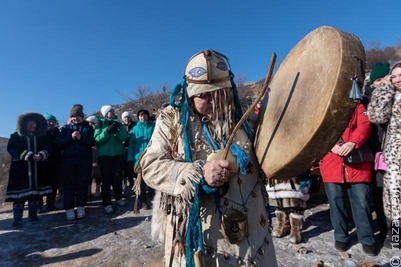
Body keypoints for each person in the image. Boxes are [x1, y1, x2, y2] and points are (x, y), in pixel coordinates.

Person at [140, 49, 277, 267]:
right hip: (200, 238)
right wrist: (196, 173)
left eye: (219, 92)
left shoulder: (246, 117)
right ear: (189, 93)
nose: (212, 100)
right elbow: (149, 165)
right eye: (203, 95)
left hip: (253, 233)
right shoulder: (171, 120)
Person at [319, 103, 377, 256]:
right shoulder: (322, 106)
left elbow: (365, 125)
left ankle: (367, 239)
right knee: (335, 201)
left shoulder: (357, 105)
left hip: (357, 161)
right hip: (331, 160)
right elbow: (318, 130)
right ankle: (341, 236)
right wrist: (330, 145)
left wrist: (353, 142)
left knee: (362, 201)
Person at [367, 60, 401, 249]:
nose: (397, 80)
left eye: (400, 75)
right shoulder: (391, 95)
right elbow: (376, 116)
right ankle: (395, 237)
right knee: (393, 201)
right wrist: (385, 87)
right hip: (393, 159)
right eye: (393, 76)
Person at [5, 112, 52, 228]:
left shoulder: (42, 137)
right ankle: (17, 219)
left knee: (34, 195)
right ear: (23, 124)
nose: (31, 125)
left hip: (37, 170)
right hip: (20, 171)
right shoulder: (16, 136)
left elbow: (48, 147)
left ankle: (33, 215)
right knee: (19, 197)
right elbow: (13, 149)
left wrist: (41, 154)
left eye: (34, 123)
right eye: (29, 123)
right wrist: (29, 155)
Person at [363, 62, 390, 245]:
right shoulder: (367, 99)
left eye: (384, 79)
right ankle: (388, 233)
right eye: (377, 80)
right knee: (381, 197)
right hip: (377, 156)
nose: (381, 83)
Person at [57, 104, 95, 220]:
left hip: (84, 161)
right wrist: (71, 138)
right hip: (68, 161)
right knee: (69, 185)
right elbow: (59, 144)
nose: (75, 118)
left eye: (78, 116)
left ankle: (80, 206)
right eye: (73, 116)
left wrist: (81, 138)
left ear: (82, 116)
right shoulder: (66, 128)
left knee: (82, 184)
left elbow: (92, 142)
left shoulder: (88, 128)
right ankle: (69, 209)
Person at [94, 105, 128, 214]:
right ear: (105, 114)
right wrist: (107, 132)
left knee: (117, 178)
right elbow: (97, 139)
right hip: (104, 155)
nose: (112, 112)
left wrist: (116, 132)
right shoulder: (99, 124)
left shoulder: (118, 123)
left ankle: (118, 198)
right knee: (106, 180)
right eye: (110, 111)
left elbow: (124, 137)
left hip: (118, 154)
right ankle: (107, 203)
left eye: (113, 111)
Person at [266, 172, 311, 244]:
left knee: (295, 199)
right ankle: (283, 225)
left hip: (293, 170)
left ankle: (296, 229)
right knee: (279, 200)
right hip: (275, 169)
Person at [127, 109, 155, 210]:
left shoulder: (153, 126)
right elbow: (131, 145)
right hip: (138, 157)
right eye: (141, 116)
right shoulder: (135, 129)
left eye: (145, 115)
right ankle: (143, 201)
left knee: (152, 178)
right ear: (138, 117)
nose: (143, 117)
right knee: (141, 180)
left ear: (148, 116)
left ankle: (153, 198)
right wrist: (130, 158)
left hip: (152, 156)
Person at [39, 112, 62, 213]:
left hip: (55, 160)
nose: (50, 123)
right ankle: (39, 205)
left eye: (52, 121)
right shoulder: (39, 133)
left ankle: (51, 204)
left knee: (53, 183)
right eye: (48, 121)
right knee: (41, 183)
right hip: (42, 161)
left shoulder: (58, 132)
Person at [86, 115, 102, 198]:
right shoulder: (86, 130)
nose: (90, 125)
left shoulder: (99, 130)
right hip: (88, 153)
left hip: (97, 152)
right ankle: (88, 191)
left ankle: (97, 189)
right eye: (89, 123)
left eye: (92, 123)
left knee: (98, 173)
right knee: (89, 174)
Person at [121, 111, 135, 193]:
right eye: (125, 117)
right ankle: (124, 186)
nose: (127, 119)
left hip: (131, 149)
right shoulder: (120, 126)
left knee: (131, 168)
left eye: (128, 117)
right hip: (122, 150)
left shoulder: (134, 126)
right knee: (123, 169)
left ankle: (132, 185)